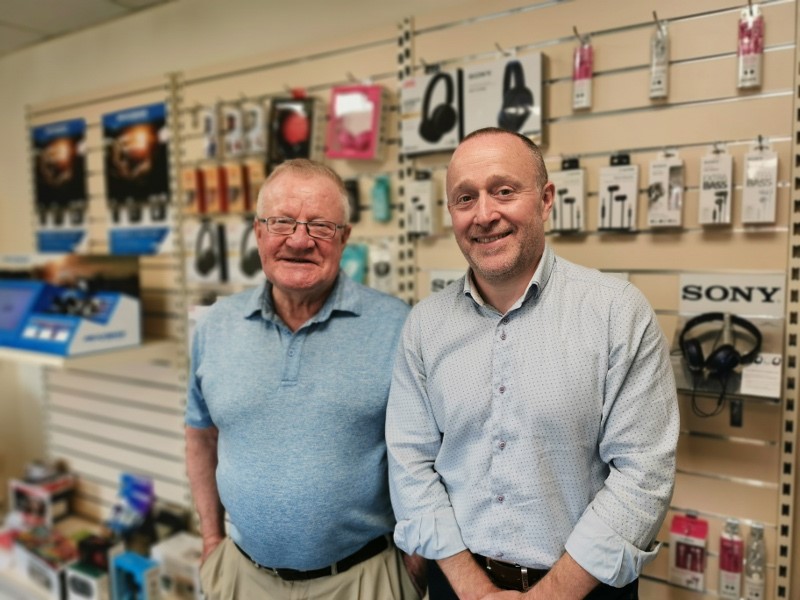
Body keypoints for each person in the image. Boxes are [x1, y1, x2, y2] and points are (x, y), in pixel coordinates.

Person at [386, 128, 679, 600]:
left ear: (545, 200)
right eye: (465, 198)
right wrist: (473, 589)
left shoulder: (616, 313)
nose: (484, 214)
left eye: (504, 191)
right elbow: (411, 466)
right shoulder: (425, 326)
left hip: (586, 588)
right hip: (458, 586)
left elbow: (644, 474)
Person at [185, 158, 422, 599]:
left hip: (363, 579)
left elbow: (429, 454)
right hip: (242, 577)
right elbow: (201, 437)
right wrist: (211, 540)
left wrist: (414, 567)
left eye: (320, 226)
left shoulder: (396, 326)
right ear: (258, 232)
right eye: (282, 222)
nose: (299, 239)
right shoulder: (215, 325)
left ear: (344, 238)